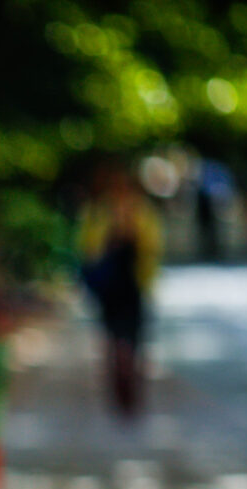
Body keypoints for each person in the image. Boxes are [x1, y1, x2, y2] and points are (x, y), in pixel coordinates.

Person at [77, 162, 162, 417]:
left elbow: (153, 247)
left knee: (133, 339)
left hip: (134, 286)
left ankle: (129, 390)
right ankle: (118, 389)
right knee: (113, 338)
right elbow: (86, 248)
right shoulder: (98, 212)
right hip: (110, 289)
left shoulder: (142, 213)